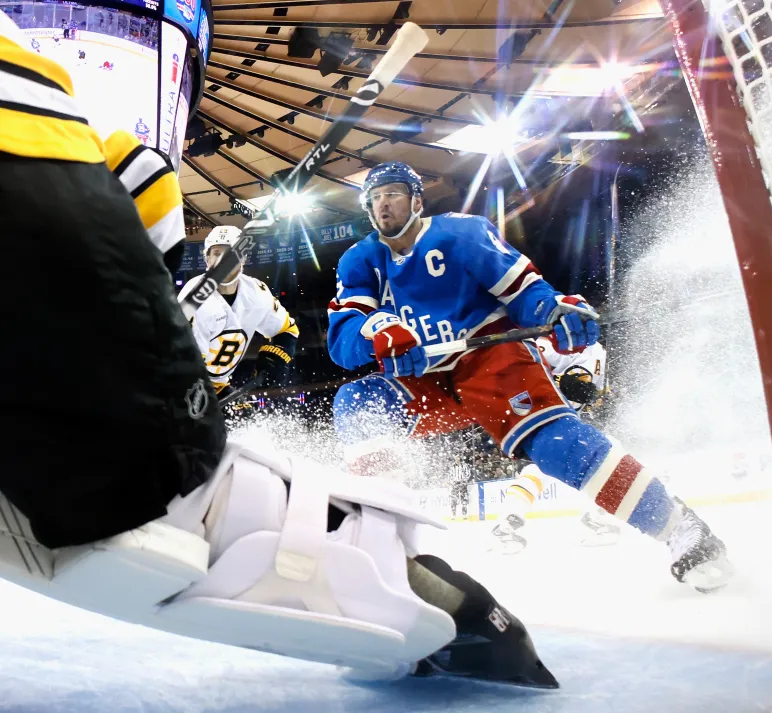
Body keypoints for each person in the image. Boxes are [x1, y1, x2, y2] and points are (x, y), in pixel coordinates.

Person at [0, 14, 552, 688]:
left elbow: (287, 335)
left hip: (183, 375)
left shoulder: (255, 296)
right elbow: (145, 180)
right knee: (138, 471)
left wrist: (265, 357)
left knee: (141, 454)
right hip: (130, 367)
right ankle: (191, 491)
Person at [329, 161, 733, 591]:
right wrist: (376, 333)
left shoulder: (461, 233)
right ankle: (387, 546)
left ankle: (679, 527)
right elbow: (343, 341)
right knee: (356, 402)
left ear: (416, 199)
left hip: (487, 357)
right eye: (374, 198)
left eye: (391, 193)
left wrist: (554, 310)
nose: (382, 203)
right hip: (423, 376)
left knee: (556, 443)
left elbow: (526, 293)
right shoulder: (359, 260)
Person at [490, 336, 622, 552]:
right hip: (549, 417)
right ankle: (597, 520)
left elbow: (590, 393)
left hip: (563, 419)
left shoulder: (597, 351)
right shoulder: (551, 344)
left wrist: (594, 393)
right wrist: (559, 382)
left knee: (538, 468)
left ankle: (506, 524)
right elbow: (519, 369)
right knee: (607, 455)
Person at [179, 225, 299, 404]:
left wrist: (275, 360)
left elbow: (287, 330)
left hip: (217, 386)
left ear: (242, 258)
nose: (223, 260)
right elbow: (183, 364)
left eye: (230, 254)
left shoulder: (256, 292)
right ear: (207, 259)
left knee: (248, 425)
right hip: (180, 386)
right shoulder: (195, 299)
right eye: (217, 252)